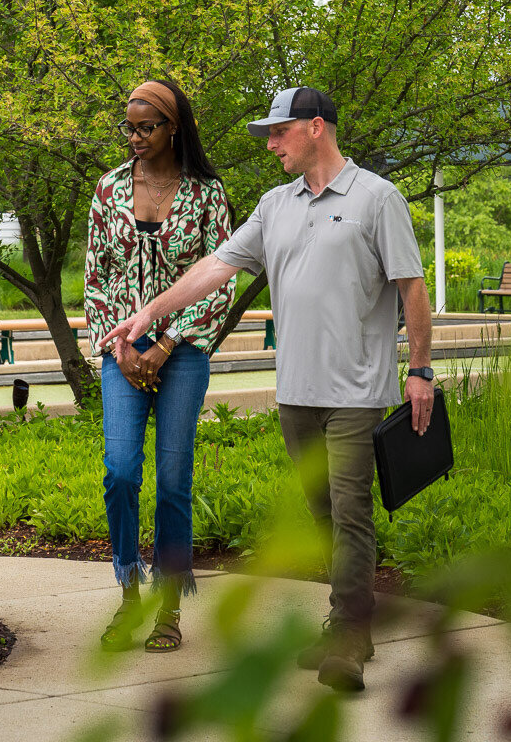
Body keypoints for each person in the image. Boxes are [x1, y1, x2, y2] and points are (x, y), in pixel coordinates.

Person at [102, 86, 434, 693]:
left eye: (278, 133)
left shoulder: (376, 198)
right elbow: (213, 269)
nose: (271, 144)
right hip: (298, 392)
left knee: (352, 510)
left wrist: (420, 370)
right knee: (324, 511)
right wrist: (149, 313)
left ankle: (349, 639)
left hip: (357, 389)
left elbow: (411, 286)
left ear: (314, 129)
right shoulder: (275, 205)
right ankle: (346, 619)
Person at [84, 80, 234, 654]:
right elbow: (94, 278)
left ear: (174, 127)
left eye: (146, 127)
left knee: (173, 481)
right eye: (129, 126)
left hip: (184, 352)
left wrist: (166, 343)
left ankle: (169, 607)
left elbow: (220, 277)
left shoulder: (205, 194)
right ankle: (129, 591)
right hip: (120, 351)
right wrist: (122, 348)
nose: (135, 136)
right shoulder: (109, 189)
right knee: (121, 472)